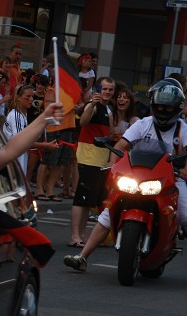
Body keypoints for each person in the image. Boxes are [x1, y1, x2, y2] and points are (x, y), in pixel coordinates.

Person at [64, 80, 187, 272]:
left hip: (172, 179)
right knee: (107, 212)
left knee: (184, 214)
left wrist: (185, 170)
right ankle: (82, 256)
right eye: (160, 105)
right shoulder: (143, 124)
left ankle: (173, 237)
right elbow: (121, 146)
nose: (164, 109)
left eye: (168, 106)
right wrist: (112, 166)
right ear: (153, 105)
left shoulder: (183, 129)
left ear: (177, 108)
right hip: (138, 177)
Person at [68, 76, 115, 247]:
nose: (107, 92)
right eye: (104, 89)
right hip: (88, 158)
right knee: (81, 199)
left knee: (88, 201)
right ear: (98, 90)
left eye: (110, 89)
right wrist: (92, 104)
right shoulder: (92, 106)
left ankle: (82, 235)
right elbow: (84, 121)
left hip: (99, 160)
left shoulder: (107, 109)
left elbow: (108, 136)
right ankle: (75, 236)